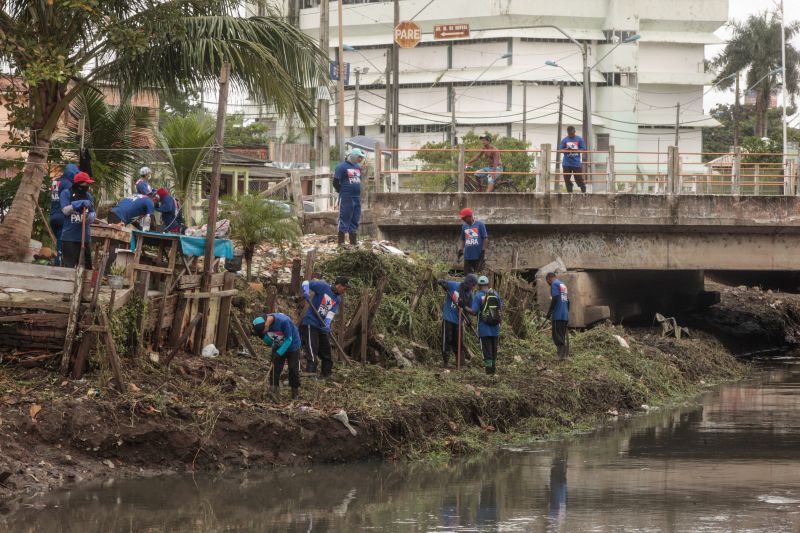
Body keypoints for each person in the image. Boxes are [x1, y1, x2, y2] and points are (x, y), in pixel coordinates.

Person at [301, 276, 349, 377]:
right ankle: (311, 374)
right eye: (345, 288)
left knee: (326, 352)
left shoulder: (338, 299)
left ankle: (326, 375)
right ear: (339, 285)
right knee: (312, 348)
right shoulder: (323, 286)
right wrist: (305, 291)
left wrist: (327, 323)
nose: (345, 291)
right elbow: (306, 282)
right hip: (311, 322)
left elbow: (331, 312)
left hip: (321, 326)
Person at [252, 312, 302, 401]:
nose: (264, 332)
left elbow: (289, 339)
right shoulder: (264, 324)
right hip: (278, 345)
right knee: (274, 369)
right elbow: (271, 341)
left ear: (266, 325)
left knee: (293, 369)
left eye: (263, 331)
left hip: (292, 346)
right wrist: (263, 336)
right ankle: (274, 393)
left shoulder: (284, 321)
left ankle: (295, 394)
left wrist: (279, 353)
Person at [437, 273, 478, 369]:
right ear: (469, 282)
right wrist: (442, 284)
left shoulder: (470, 295)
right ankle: (445, 362)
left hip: (458, 321)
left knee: (458, 342)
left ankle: (460, 362)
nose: (473, 287)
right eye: (473, 285)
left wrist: (467, 317)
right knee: (446, 340)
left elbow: (470, 310)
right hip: (448, 318)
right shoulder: (454, 285)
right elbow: (441, 282)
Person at [59, 172, 95, 269]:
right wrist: (79, 204)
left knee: (87, 268)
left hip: (84, 237)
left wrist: (90, 217)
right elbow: (65, 210)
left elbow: (92, 211)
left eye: (88, 184)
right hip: (70, 237)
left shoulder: (88, 196)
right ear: (79, 184)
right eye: (85, 183)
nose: (87, 186)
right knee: (68, 268)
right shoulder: (66, 193)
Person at [471, 275, 503, 375]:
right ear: (488, 284)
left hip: (484, 328)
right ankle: (493, 371)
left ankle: (489, 373)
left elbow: (474, 312)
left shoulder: (478, 296)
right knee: (494, 350)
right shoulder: (495, 294)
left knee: (486, 351)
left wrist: (463, 306)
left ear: (479, 285)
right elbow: (500, 309)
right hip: (495, 328)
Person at [333, 148, 365, 246]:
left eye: (362, 157)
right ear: (354, 156)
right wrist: (341, 191)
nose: (361, 159)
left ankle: (353, 242)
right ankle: (341, 242)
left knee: (355, 218)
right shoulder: (341, 167)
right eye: (359, 157)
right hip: (346, 197)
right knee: (344, 217)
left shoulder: (357, 167)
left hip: (356, 197)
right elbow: (335, 182)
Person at [49, 163, 78, 266]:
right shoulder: (69, 184)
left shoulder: (55, 183)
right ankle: (62, 262)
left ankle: (59, 259)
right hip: (63, 218)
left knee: (59, 241)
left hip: (53, 217)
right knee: (66, 242)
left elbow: (53, 199)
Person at [545, 272, 570, 360]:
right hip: (565, 314)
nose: (548, 283)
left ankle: (560, 355)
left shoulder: (554, 284)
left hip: (558, 315)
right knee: (562, 335)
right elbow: (568, 301)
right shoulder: (563, 285)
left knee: (556, 335)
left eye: (547, 281)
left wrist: (549, 312)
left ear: (549, 279)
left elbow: (555, 298)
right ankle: (564, 355)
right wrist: (567, 312)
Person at [457, 208, 487, 275]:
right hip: (468, 256)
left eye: (465, 218)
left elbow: (485, 238)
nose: (463, 220)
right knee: (467, 276)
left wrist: (483, 251)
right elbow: (462, 239)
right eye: (463, 219)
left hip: (478, 255)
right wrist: (460, 248)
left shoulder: (480, 225)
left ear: (470, 216)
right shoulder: (464, 226)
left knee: (478, 274)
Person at [558, 126, 587, 193]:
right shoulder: (565, 140)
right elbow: (560, 150)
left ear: (574, 132)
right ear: (568, 133)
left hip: (576, 163)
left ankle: (584, 192)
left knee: (579, 179)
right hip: (566, 163)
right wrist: (565, 150)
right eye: (569, 134)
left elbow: (584, 149)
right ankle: (570, 193)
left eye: (572, 134)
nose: (571, 135)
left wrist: (577, 150)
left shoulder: (579, 139)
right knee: (567, 179)